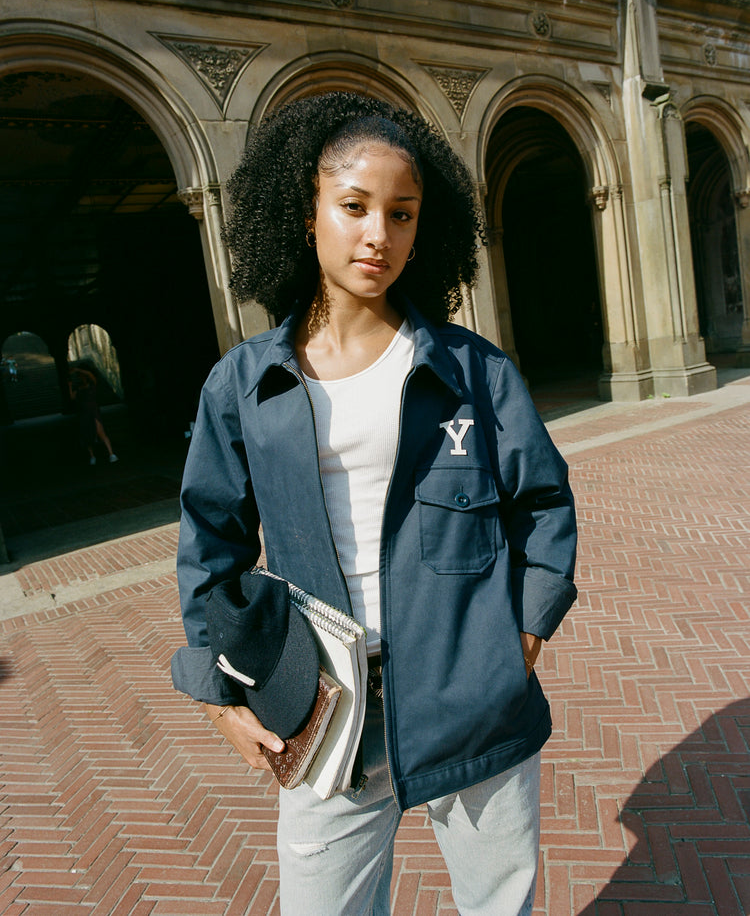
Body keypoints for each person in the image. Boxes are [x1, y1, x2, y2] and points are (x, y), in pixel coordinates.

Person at [173, 91, 577, 916]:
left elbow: (544, 503)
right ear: (308, 211)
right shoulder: (244, 385)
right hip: (322, 713)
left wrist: (524, 637)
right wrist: (219, 693)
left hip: (474, 701)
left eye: (402, 213)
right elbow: (208, 546)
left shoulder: (474, 371)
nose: (377, 235)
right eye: (354, 207)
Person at [68, 366, 118, 465]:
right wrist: (69, 386)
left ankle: (111, 453)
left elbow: (91, 375)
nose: (82, 378)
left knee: (100, 432)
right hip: (84, 413)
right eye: (80, 376)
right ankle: (92, 456)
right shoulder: (78, 388)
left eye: (83, 376)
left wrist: (78, 369)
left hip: (93, 411)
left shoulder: (92, 384)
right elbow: (72, 398)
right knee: (87, 434)